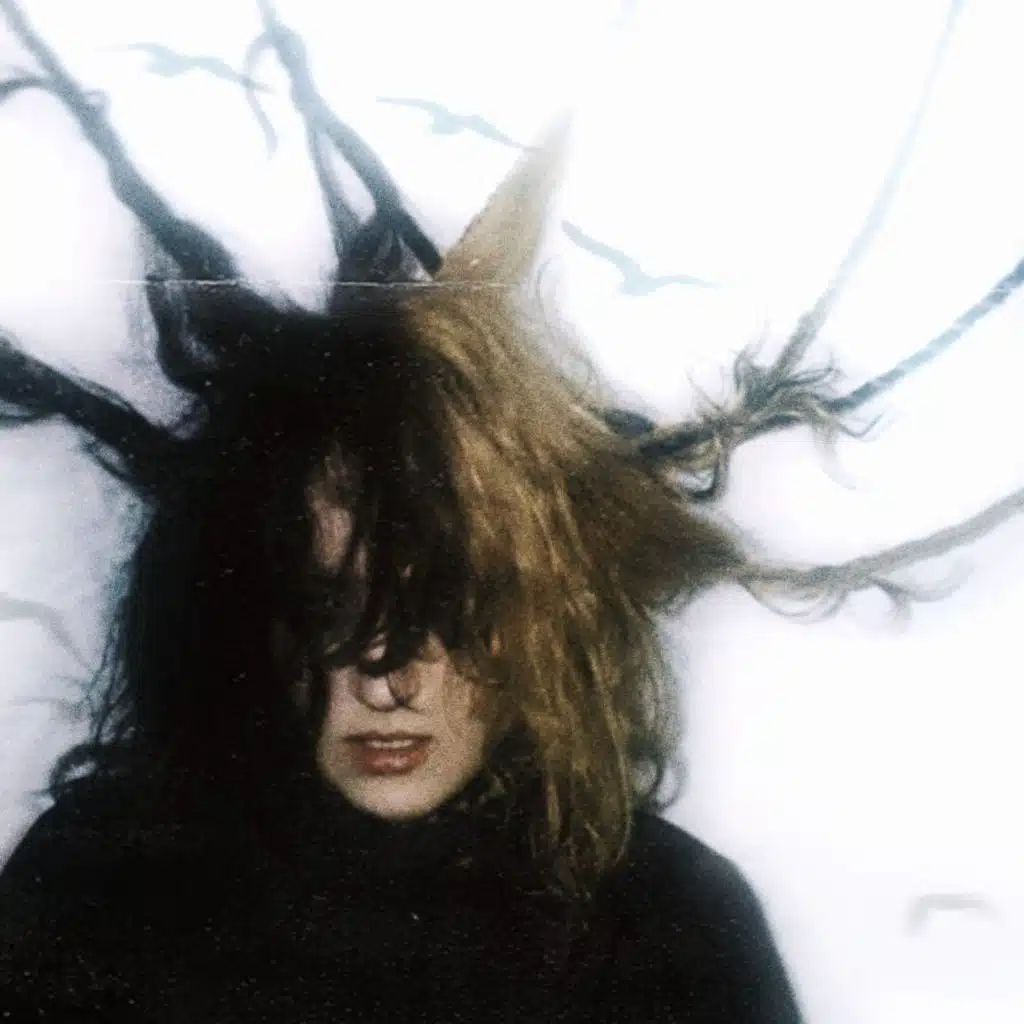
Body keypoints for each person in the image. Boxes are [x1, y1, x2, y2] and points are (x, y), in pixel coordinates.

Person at [0, 4, 805, 1020]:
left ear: (540, 611)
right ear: (250, 610)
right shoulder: (98, 887)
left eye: (446, 607)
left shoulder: (667, 923)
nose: (386, 680)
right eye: (331, 605)